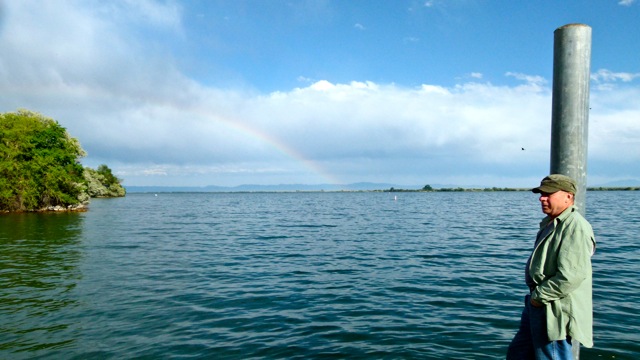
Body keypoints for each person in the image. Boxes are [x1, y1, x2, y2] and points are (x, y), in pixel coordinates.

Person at [507, 174, 596, 360]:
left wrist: (538, 298)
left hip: (554, 310)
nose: (542, 198)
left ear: (568, 197)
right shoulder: (553, 223)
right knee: (518, 354)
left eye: (548, 194)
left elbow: (570, 276)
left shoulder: (575, 226)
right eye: (541, 193)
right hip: (538, 304)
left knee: (552, 356)